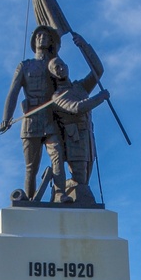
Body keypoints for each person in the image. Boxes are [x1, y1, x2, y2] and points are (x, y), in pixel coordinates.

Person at [0, 25, 68, 201]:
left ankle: (60, 193)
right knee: (31, 167)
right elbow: (13, 93)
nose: (42, 37)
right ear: (34, 41)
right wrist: (6, 118)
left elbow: (66, 85)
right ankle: (29, 200)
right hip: (30, 119)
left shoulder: (55, 65)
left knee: (57, 155)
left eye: (45, 35)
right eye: (39, 35)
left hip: (50, 117)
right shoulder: (25, 66)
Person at [48, 34, 109, 204]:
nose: (60, 69)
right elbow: (77, 108)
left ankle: (74, 196)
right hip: (74, 139)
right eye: (56, 68)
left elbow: (98, 70)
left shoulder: (80, 87)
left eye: (61, 65)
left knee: (84, 181)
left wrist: (84, 46)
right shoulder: (57, 95)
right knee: (80, 180)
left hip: (88, 137)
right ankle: (63, 193)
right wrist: (100, 98)